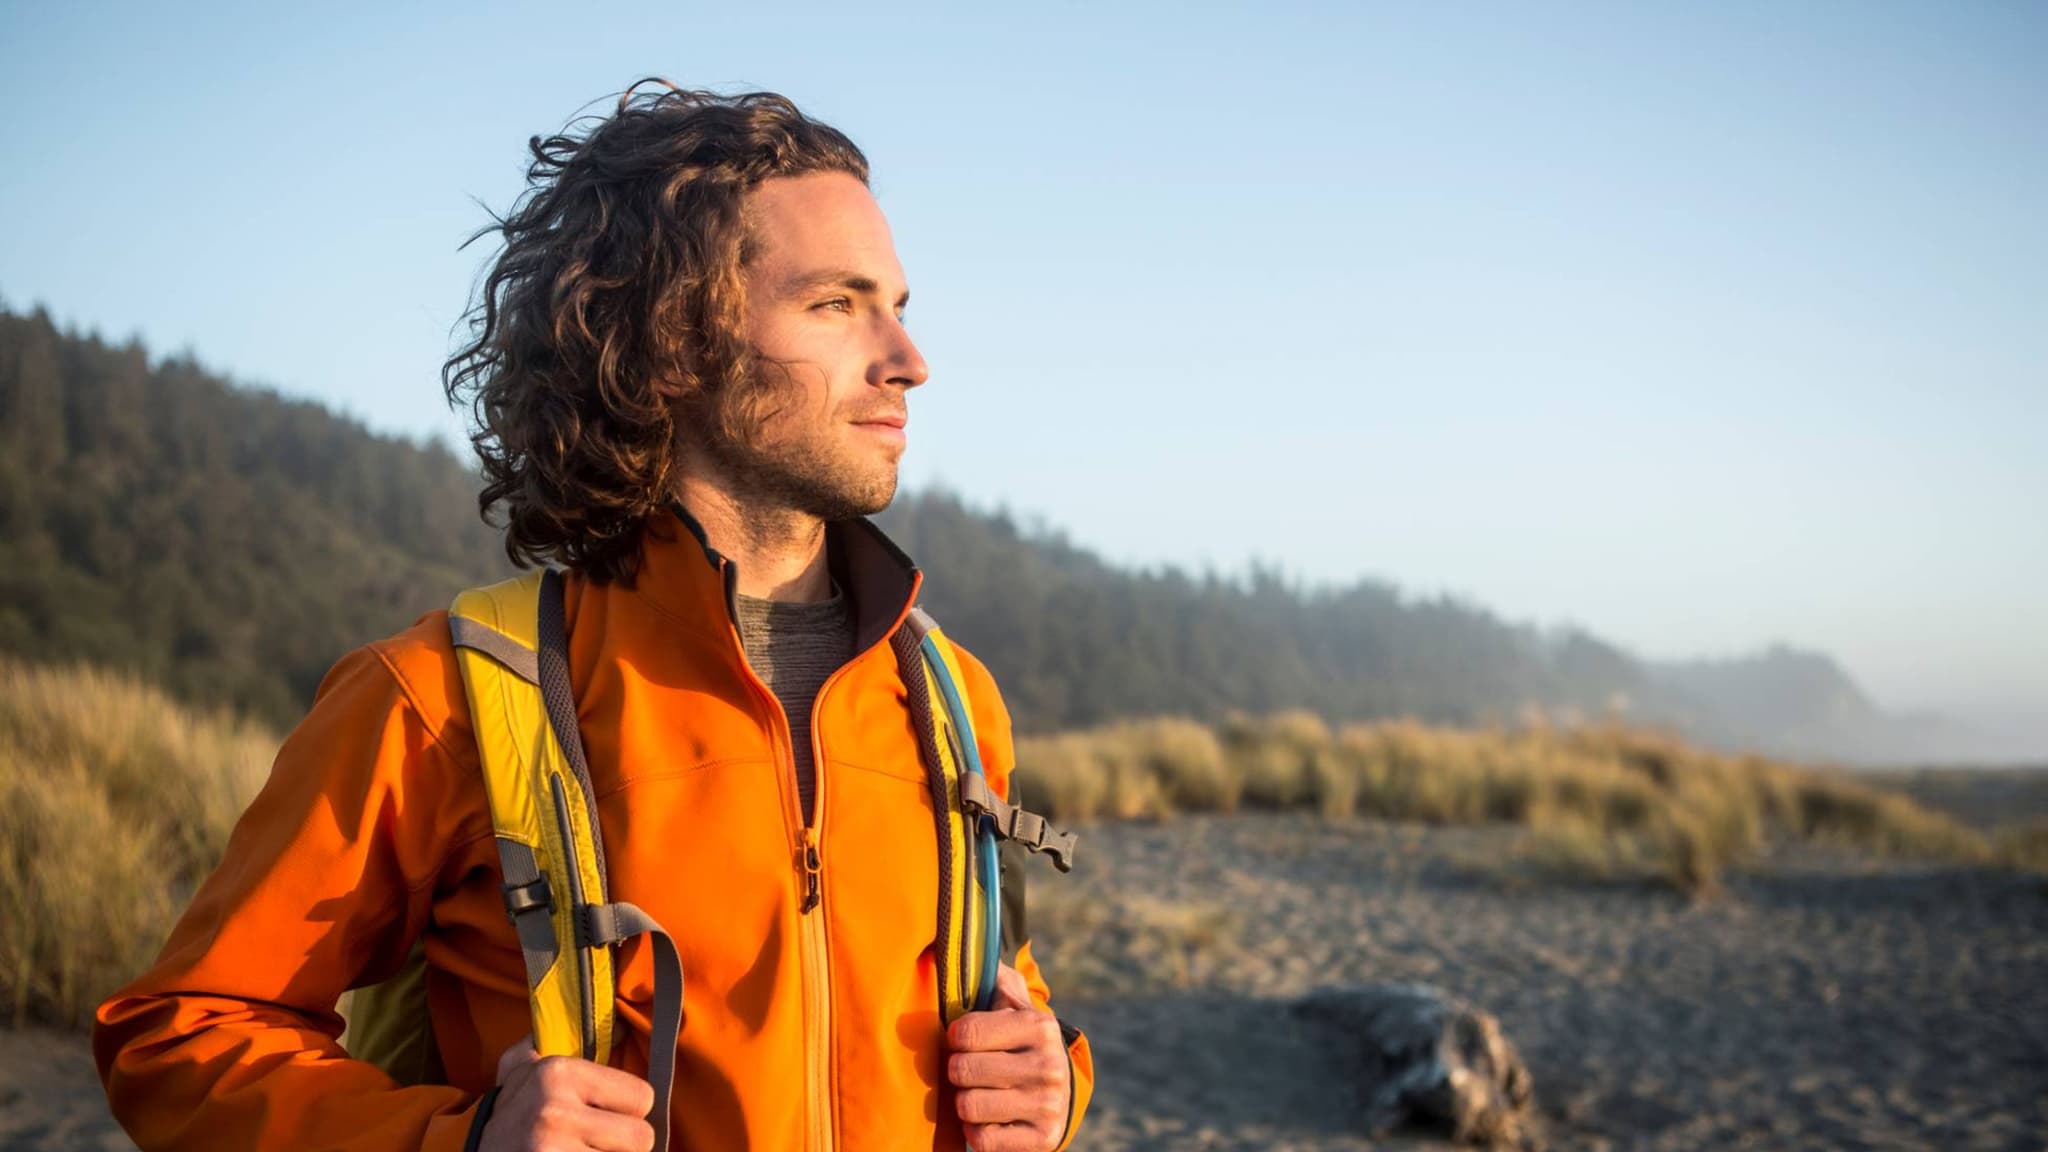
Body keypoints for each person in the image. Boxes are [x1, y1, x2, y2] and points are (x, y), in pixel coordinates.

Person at [92, 82, 1093, 1152]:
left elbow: (1004, 994)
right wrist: (460, 1140)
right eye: (836, 305)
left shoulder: (951, 696)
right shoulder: (442, 697)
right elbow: (180, 1036)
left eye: (895, 303)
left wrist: (1051, 1085)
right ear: (675, 340)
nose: (908, 360)